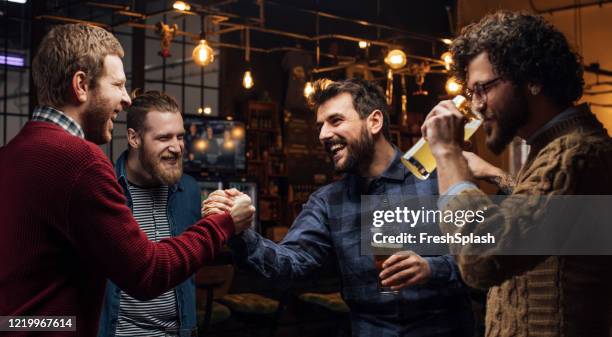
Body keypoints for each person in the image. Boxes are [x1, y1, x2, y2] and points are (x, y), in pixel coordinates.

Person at [0, 24, 254, 337]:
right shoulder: (82, 162)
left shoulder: (10, 153)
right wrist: (224, 223)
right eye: (118, 85)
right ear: (81, 85)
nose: (126, 100)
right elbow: (147, 272)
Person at [203, 79, 474, 337]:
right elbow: (289, 264)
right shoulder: (327, 202)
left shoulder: (439, 178)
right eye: (320, 125)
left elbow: (493, 256)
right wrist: (239, 230)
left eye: (335, 121)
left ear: (375, 122)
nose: (323, 134)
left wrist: (433, 268)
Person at [422, 11, 612, 337]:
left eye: (484, 88)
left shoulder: (578, 152)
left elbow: (480, 260)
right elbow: (539, 212)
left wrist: (447, 153)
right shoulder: (555, 149)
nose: (477, 105)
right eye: (471, 93)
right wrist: (498, 176)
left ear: (533, 78)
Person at [97, 91, 202, 336]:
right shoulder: (104, 189)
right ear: (134, 138)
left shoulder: (190, 190)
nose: (176, 148)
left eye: (180, 137)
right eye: (164, 137)